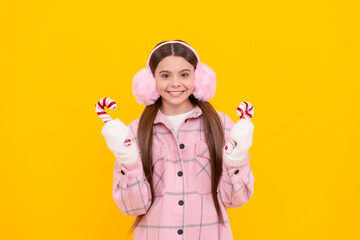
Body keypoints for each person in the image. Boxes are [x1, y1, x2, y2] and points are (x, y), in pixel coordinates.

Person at [100, 40, 255, 239]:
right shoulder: (134, 132)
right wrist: (127, 159)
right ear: (150, 81)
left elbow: (236, 200)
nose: (175, 83)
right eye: (165, 75)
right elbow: (133, 207)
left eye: (184, 74)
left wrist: (237, 159)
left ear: (198, 78)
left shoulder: (221, 124)